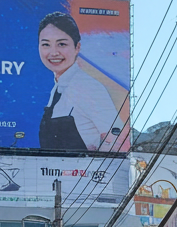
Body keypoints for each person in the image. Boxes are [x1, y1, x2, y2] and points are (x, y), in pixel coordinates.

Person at [37, 12, 121, 151]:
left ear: (77, 47)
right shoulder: (58, 88)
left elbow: (117, 136)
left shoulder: (87, 86)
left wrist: (94, 162)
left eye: (62, 44)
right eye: (46, 44)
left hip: (83, 171)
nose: (53, 52)